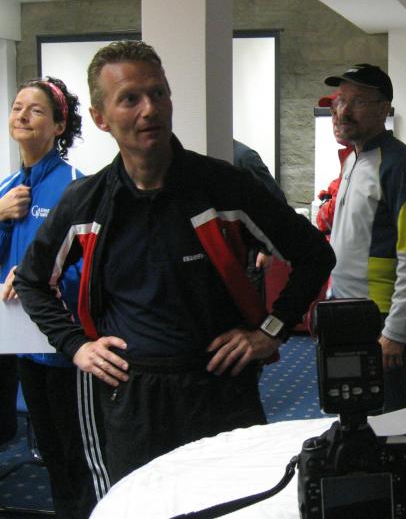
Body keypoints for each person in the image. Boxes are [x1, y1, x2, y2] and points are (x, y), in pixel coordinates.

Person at [14, 40, 335, 484]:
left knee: (234, 504)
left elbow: (315, 255)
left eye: (158, 93)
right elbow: (32, 282)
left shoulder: (225, 187)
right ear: (100, 118)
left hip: (221, 390)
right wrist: (75, 345)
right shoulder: (86, 202)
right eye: (130, 98)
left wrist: (271, 331)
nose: (150, 109)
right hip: (131, 399)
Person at [0, 77, 107, 518]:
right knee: (53, 457)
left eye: (36, 110)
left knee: (82, 459)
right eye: (17, 107)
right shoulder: (8, 186)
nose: (22, 115)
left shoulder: (77, 186)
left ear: (59, 125)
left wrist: (33, 273)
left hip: (66, 347)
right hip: (22, 345)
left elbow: (93, 267)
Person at [323, 64, 406, 412]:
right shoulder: (353, 158)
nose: (343, 111)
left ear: (383, 109)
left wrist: (396, 331)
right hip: (343, 305)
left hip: (378, 314)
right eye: (340, 100)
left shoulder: (399, 164)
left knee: (392, 416)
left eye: (357, 102)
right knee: (351, 406)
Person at [232, 139, 286, 300]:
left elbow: (276, 201)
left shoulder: (243, 157)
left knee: (250, 309)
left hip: (249, 255)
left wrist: (266, 249)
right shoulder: (212, 158)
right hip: (227, 252)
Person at [314, 91, 353, 236]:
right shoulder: (350, 158)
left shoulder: (363, 159)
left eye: (341, 112)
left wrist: (325, 207)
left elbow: (328, 219)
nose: (335, 120)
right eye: (333, 113)